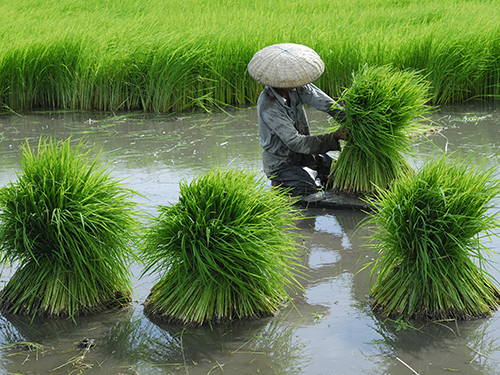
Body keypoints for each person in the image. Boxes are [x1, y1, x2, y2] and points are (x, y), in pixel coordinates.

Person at [247, 43, 348, 196]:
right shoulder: (269, 105)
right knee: (309, 189)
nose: (296, 81)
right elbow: (295, 142)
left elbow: (328, 105)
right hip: (281, 163)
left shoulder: (297, 87)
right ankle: (279, 185)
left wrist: (351, 120)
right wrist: (333, 136)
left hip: (305, 156)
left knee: (338, 173)